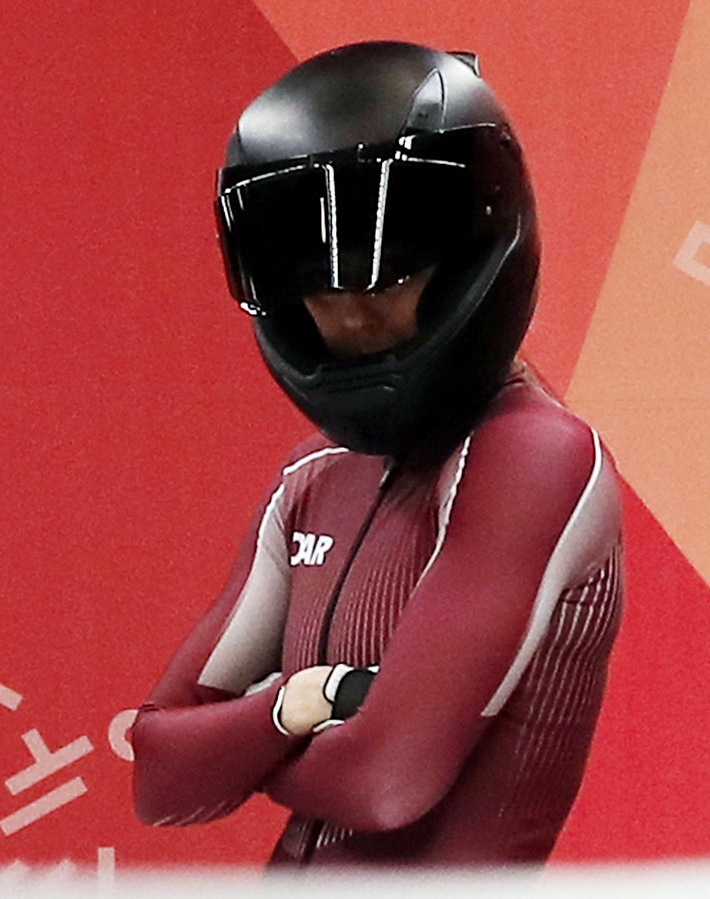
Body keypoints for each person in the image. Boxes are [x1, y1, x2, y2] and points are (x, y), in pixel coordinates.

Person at [130, 42, 622, 866]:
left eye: (386, 279)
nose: (350, 317)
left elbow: (386, 776)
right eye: (317, 290)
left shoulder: (535, 455)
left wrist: (246, 742)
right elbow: (158, 772)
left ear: (472, 254)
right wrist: (307, 700)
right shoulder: (312, 478)